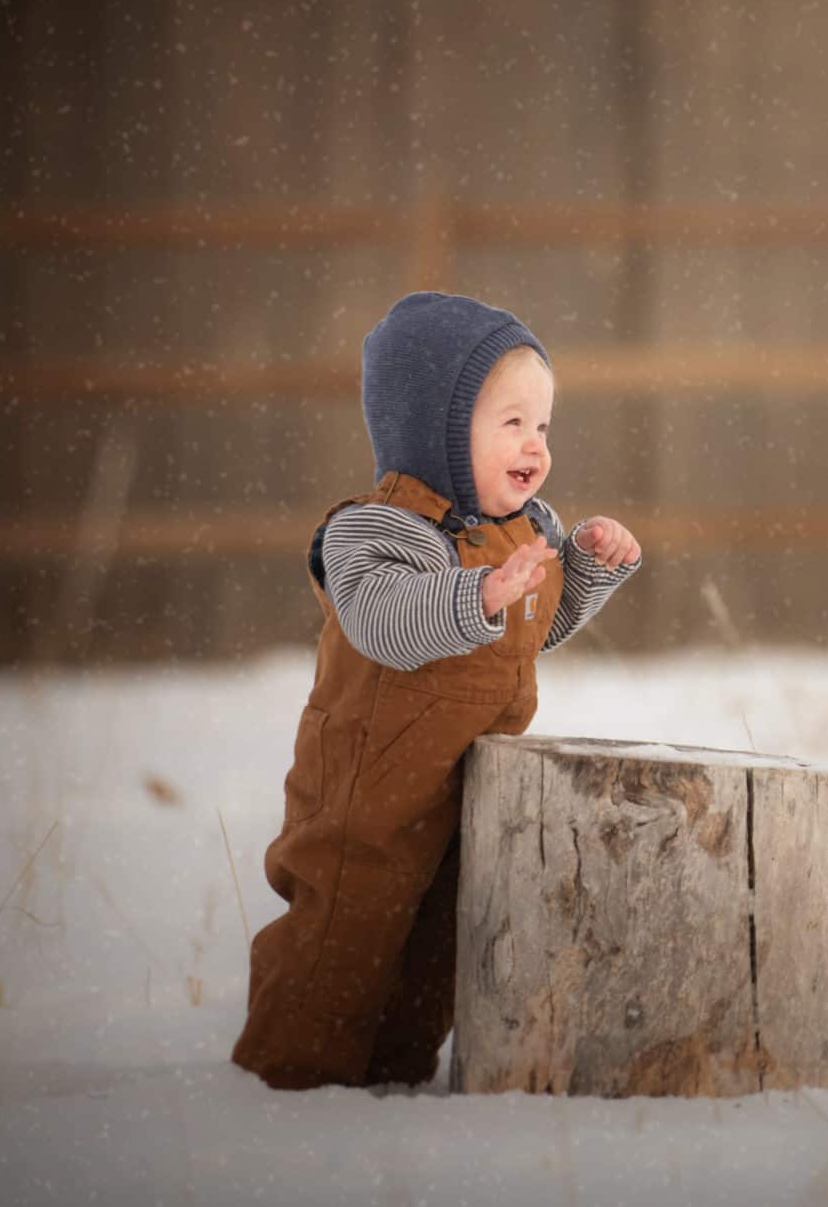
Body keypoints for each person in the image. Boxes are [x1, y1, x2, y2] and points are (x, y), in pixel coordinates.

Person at [232, 291, 642, 1090]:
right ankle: (290, 1088)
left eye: (544, 425)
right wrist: (477, 595)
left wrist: (585, 571)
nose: (535, 445)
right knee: (343, 942)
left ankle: (394, 1081)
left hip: (464, 792)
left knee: (435, 947)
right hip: (367, 793)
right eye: (512, 422)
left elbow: (530, 628)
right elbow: (386, 622)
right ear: (438, 427)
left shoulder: (524, 529)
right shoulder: (377, 528)